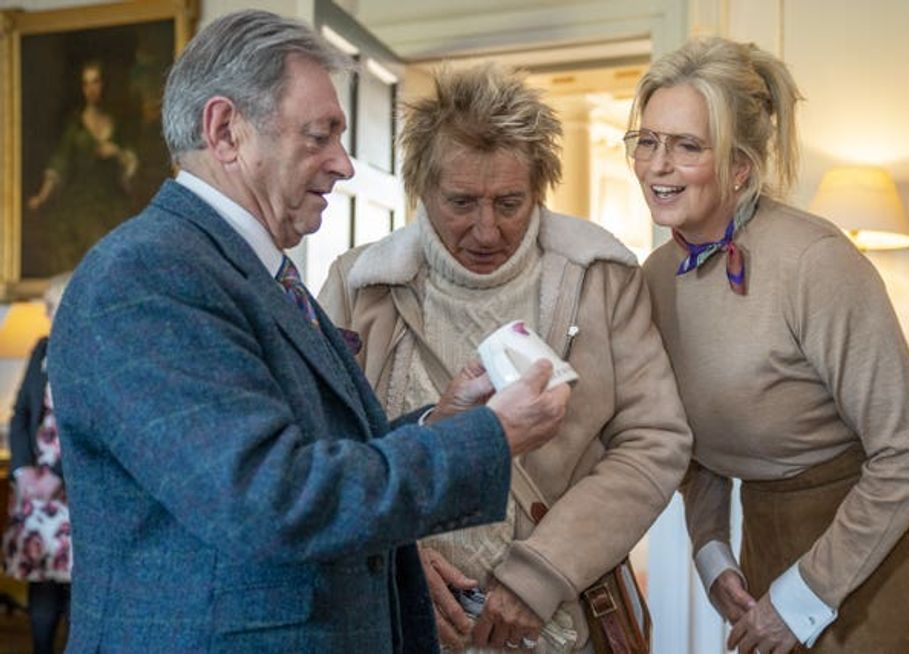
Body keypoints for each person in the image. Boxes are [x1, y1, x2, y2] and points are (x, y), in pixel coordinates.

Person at [45, 11, 570, 652]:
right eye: (319, 136)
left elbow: (311, 450)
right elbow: (270, 497)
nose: (345, 166)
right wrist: (490, 439)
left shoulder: (249, 268)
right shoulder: (145, 276)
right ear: (225, 131)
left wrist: (447, 424)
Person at [319, 64, 692, 653]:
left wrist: (542, 571)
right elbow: (326, 458)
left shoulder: (600, 277)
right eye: (461, 202)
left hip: (561, 623)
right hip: (408, 621)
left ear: (539, 190)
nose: (487, 231)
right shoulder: (359, 284)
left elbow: (656, 441)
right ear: (421, 189)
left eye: (510, 203)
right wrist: (399, 551)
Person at [630, 36, 909, 653]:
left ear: (740, 166)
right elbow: (693, 445)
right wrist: (713, 557)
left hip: (890, 547)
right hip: (770, 540)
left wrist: (803, 597)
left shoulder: (816, 263)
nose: (658, 165)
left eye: (687, 146)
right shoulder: (652, 280)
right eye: (648, 141)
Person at [3, 272, 73, 654]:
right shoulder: (41, 349)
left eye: (50, 304)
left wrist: (59, 477)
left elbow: (94, 422)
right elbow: (21, 412)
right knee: (40, 574)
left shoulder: (92, 350)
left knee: (74, 579)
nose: (45, 312)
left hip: (74, 482)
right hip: (34, 483)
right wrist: (22, 468)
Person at [26, 61, 137, 278]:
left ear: (104, 85)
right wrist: (41, 196)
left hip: (113, 202)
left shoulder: (117, 124)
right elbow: (59, 162)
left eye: (95, 82)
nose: (91, 89)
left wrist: (115, 151)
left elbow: (131, 162)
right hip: (82, 205)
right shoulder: (75, 125)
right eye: (86, 84)